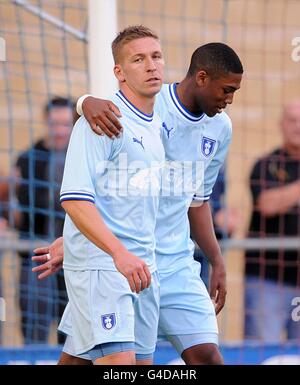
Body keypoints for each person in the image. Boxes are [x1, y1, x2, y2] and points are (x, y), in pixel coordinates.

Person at [34, 37, 243, 365]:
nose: (229, 100)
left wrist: (217, 260)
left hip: (165, 263)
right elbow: (81, 193)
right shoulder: (137, 110)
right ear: (201, 77)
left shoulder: (215, 129)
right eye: (226, 90)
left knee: (197, 357)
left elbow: (196, 201)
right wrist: (84, 101)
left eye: (157, 56)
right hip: (112, 261)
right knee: (117, 365)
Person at [56, 25, 164, 365]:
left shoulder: (156, 122)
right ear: (119, 71)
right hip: (104, 268)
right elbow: (74, 198)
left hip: (142, 267)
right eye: (138, 59)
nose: (151, 65)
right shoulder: (102, 120)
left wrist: (72, 237)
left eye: (156, 56)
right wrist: (117, 252)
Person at [15, 97, 74, 344]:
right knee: (34, 332)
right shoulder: (28, 159)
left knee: (71, 334)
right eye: (54, 123)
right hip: (35, 254)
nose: (59, 131)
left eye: (65, 124)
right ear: (45, 122)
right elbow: (14, 206)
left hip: (73, 257)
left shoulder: (81, 156)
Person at [244, 100, 300, 343]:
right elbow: (267, 204)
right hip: (267, 280)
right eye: (292, 120)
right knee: (262, 352)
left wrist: (287, 195)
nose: (298, 126)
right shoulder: (266, 164)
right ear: (281, 125)